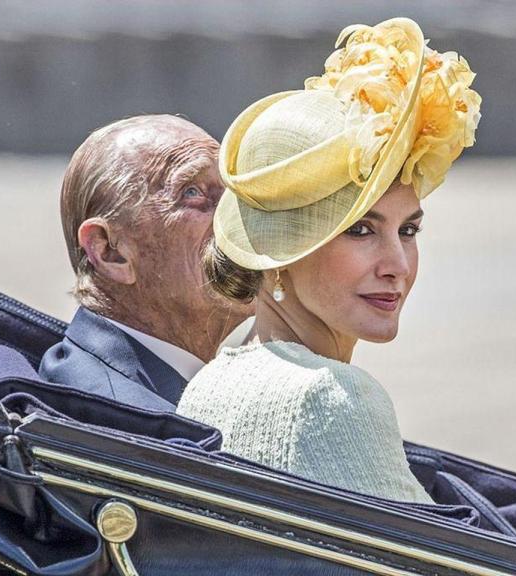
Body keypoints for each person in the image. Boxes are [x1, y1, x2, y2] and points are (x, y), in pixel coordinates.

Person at [177, 18, 480, 503]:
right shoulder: (331, 397)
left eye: (408, 230)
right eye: (360, 230)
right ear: (279, 252)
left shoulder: (207, 384)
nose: (397, 265)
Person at [40, 115, 253, 411]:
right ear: (109, 251)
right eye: (193, 192)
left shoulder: (156, 385)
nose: (241, 212)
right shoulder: (121, 413)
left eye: (235, 190)